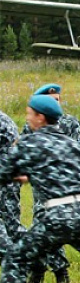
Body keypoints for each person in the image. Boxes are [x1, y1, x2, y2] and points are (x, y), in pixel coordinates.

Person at [0, 95, 80, 283]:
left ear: (40, 118)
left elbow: (4, 172)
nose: (27, 118)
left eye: (29, 114)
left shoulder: (30, 142)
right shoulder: (74, 145)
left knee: (15, 259)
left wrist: (19, 175)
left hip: (56, 216)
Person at [23, 83, 80, 283]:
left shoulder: (71, 123)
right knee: (41, 229)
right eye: (51, 101)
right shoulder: (31, 126)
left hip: (68, 188)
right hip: (43, 187)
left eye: (58, 100)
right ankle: (38, 275)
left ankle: (61, 275)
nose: (56, 104)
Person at [0, 109, 24, 264]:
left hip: (5, 178)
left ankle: (39, 259)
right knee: (12, 225)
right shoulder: (4, 119)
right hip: (11, 177)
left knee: (12, 227)